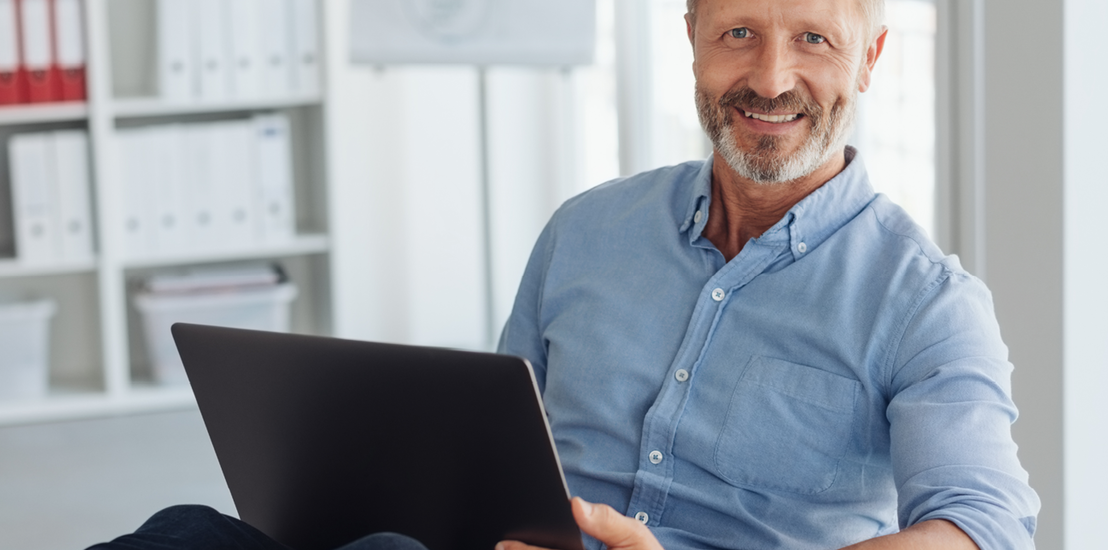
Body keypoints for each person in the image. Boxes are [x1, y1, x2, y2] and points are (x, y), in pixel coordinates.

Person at [90, 0, 1040, 548]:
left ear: (871, 58)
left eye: (815, 39)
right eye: (739, 32)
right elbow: (490, 441)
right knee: (184, 534)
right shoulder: (588, 230)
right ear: (694, 41)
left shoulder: (926, 304)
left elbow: (982, 527)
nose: (772, 78)